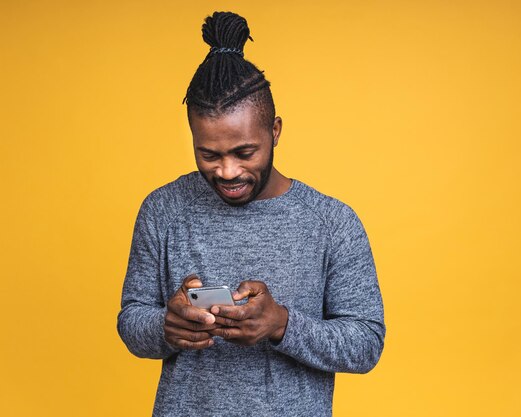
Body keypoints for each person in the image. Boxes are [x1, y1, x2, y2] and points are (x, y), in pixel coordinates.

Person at [117, 11, 385, 417]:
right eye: (209, 154)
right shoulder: (163, 209)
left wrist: (281, 325)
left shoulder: (332, 223)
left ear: (274, 131)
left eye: (244, 153)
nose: (227, 171)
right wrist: (165, 328)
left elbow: (366, 343)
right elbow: (132, 321)